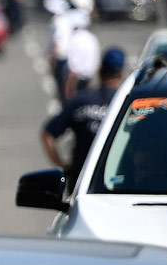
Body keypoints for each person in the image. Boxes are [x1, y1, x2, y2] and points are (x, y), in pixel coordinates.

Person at [44, 46, 124, 191]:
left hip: (80, 181)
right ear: (122, 74)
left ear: (100, 72)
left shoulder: (80, 100)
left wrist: (61, 166)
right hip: (120, 181)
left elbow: (47, 135)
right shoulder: (126, 104)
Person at [61, 10, 100, 100]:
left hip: (76, 79)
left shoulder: (75, 39)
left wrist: (69, 88)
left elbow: (74, 66)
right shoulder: (91, 38)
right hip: (89, 76)